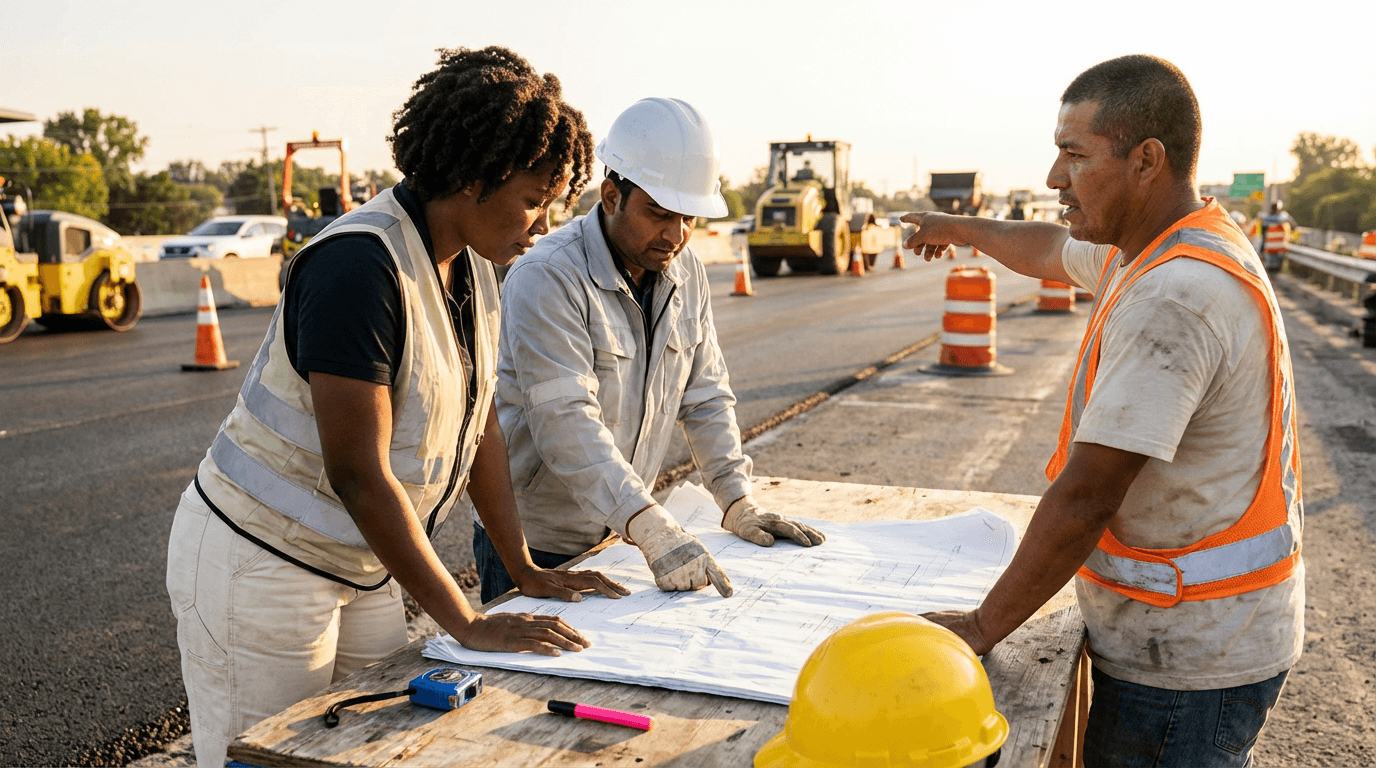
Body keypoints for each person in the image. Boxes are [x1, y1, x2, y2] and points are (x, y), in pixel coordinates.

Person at [165, 47, 627, 768]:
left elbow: (483, 429)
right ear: (474, 177)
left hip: (361, 565)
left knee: (376, 748)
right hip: (260, 565)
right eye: (534, 199)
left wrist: (524, 567)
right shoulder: (359, 265)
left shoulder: (474, 267)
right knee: (262, 759)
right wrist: (468, 621)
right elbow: (359, 474)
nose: (542, 225)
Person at [903, 55, 1303, 767]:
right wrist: (958, 227)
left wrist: (980, 626)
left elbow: (1087, 496)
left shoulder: (1174, 296)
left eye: (1074, 155)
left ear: (1146, 160)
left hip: (1186, 659)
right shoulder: (1158, 247)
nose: (1054, 178)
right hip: (1199, 635)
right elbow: (1050, 250)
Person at [475, 97, 826, 604]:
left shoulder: (685, 273)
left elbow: (705, 397)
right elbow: (564, 419)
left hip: (622, 534)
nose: (676, 236)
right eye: (660, 214)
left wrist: (736, 500)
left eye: (689, 219)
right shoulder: (548, 275)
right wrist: (653, 527)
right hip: (536, 547)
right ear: (612, 195)